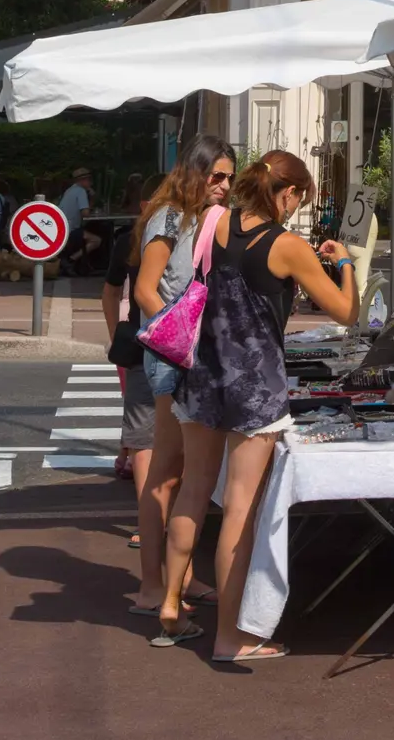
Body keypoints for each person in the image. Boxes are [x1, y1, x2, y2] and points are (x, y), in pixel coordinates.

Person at [154, 149, 358, 663]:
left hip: (203, 372)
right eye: (298, 198)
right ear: (286, 193)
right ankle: (231, 638)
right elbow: (347, 311)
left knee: (194, 492)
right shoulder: (286, 245)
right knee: (239, 509)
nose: (296, 208)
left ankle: (171, 606)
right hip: (254, 384)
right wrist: (347, 263)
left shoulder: (214, 221)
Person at [129, 136, 237, 613]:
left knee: (183, 475)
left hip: (185, 353)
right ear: (196, 172)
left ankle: (180, 578)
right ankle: (152, 585)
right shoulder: (170, 215)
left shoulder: (193, 217)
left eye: (231, 178)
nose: (225, 186)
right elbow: (145, 290)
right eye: (217, 176)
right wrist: (180, 340)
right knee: (166, 476)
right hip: (173, 354)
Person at [60, 167, 99, 271]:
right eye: (88, 180)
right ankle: (71, 260)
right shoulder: (81, 192)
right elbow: (85, 213)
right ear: (82, 181)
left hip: (62, 227)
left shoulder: (70, 190)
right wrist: (92, 198)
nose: (90, 183)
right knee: (96, 240)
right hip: (71, 229)